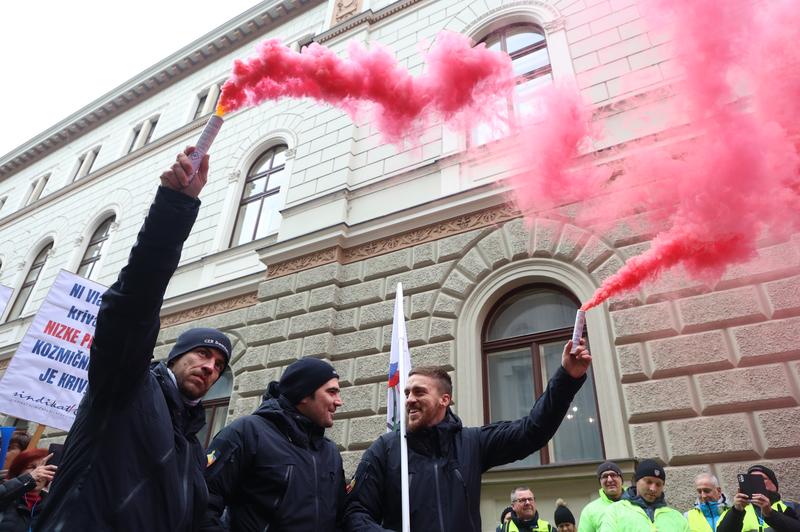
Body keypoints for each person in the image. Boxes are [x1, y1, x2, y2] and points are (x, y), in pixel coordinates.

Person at [33, 148, 232, 531]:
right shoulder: (127, 388)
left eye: (219, 365)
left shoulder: (191, 444)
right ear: (175, 356)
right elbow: (133, 302)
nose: (210, 367)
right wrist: (174, 208)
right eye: (203, 354)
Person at [344, 338, 592, 531]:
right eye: (407, 393)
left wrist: (567, 378)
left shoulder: (472, 443)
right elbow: (355, 513)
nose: (409, 400)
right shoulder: (384, 450)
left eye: (419, 392)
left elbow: (532, 431)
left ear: (445, 399)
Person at [202, 357, 345, 531]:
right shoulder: (247, 432)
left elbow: (341, 518)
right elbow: (203, 503)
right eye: (331, 392)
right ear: (304, 395)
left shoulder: (330, 452)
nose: (339, 401)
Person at [599, 459, 689, 532]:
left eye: (658, 484)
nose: (653, 488)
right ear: (636, 481)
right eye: (648, 482)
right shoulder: (615, 511)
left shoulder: (677, 517)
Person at [717, 464, 800, 532]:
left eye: (761, 478)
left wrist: (770, 514)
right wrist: (736, 511)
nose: (756, 482)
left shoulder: (792, 507)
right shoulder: (734, 511)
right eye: (751, 480)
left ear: (774, 485)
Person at [0, 449, 56, 531]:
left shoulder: (51, 504)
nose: (39, 472)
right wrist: (29, 479)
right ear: (19, 470)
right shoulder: (7, 494)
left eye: (44, 468)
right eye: (32, 467)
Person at [579, 461, 625, 532]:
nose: (609, 480)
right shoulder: (589, 511)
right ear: (600, 482)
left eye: (613, 475)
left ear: (621, 479)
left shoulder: (635, 502)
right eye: (605, 476)